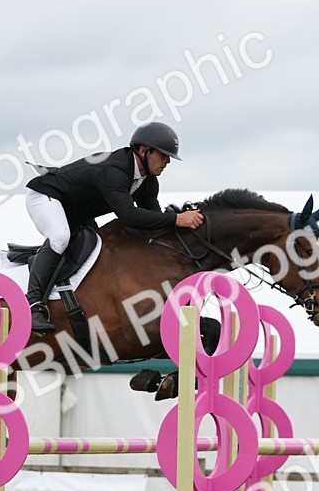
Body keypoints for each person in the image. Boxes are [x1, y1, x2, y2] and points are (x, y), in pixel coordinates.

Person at [23, 121, 205, 333]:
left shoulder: (148, 182)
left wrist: (187, 230)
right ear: (144, 150)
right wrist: (176, 219)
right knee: (60, 237)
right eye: (164, 155)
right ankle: (33, 306)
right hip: (47, 195)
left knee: (95, 247)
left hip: (76, 212)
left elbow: (154, 221)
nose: (167, 161)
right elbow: (128, 215)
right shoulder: (115, 169)